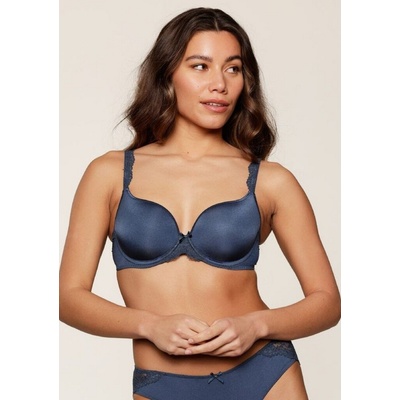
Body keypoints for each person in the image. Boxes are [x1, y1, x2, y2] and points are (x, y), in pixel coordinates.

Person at [59, 7, 341, 400]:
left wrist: (256, 326)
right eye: (200, 66)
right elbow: (68, 298)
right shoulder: (109, 174)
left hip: (266, 375)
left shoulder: (271, 181)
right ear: (167, 74)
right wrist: (148, 325)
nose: (219, 84)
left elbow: (327, 302)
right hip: (163, 384)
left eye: (233, 68)